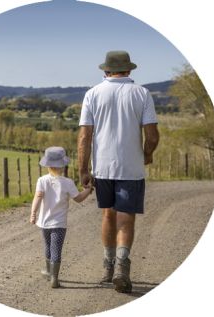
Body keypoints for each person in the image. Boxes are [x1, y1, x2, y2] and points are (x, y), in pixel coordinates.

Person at [77, 50, 159, 293]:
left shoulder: (92, 94)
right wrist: (147, 154)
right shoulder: (142, 93)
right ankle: (123, 266)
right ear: (129, 70)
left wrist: (83, 169)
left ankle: (108, 267)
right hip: (131, 168)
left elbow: (84, 136)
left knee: (108, 215)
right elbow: (152, 135)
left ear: (106, 70)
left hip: (102, 167)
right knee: (126, 218)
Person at [29, 146, 92, 288]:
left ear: (48, 165)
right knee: (56, 249)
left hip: (44, 223)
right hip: (59, 224)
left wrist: (33, 213)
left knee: (47, 247)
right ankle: (54, 279)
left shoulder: (42, 180)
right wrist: (87, 190)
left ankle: (48, 271)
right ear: (63, 165)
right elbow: (78, 198)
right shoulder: (68, 183)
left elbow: (37, 197)